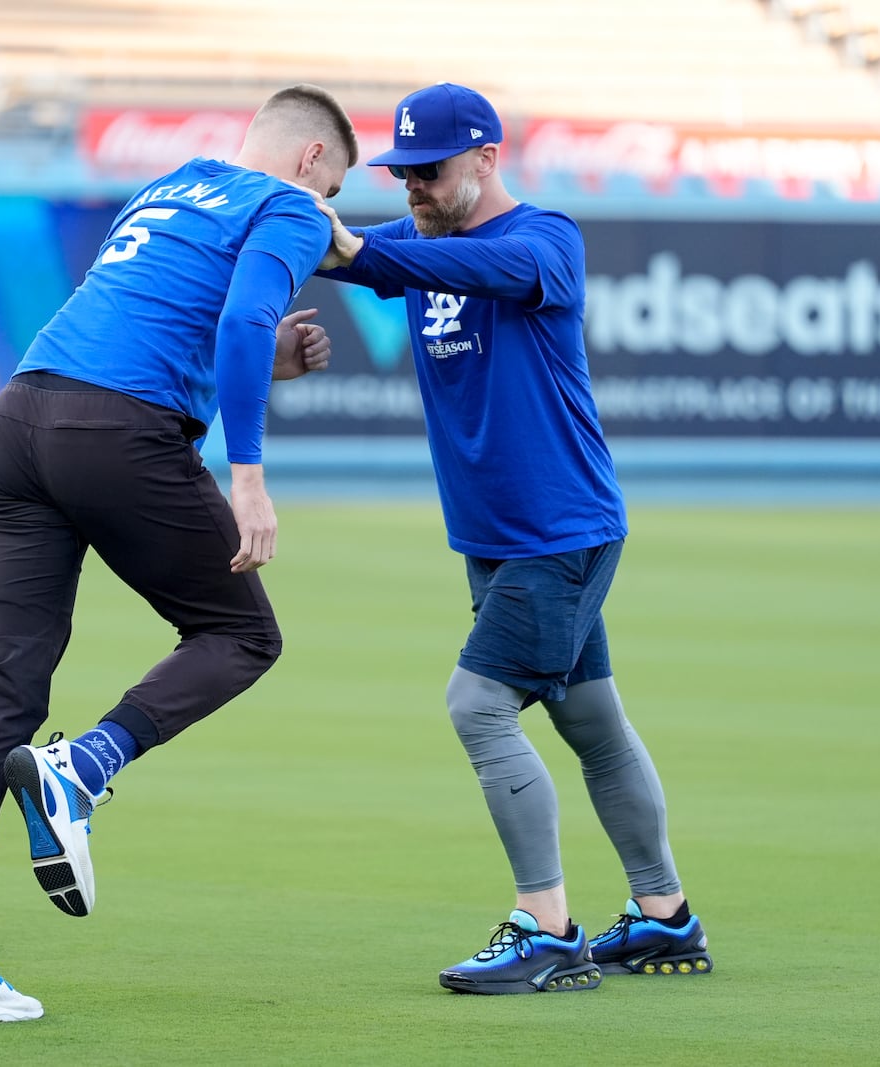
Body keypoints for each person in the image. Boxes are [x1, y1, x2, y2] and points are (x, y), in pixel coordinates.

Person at [0, 83, 357, 1023]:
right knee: (240, 635)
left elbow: (159, 317)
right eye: (335, 187)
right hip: (119, 431)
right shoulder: (292, 205)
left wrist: (266, 365)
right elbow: (237, 319)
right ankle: (83, 766)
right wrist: (250, 477)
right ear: (310, 162)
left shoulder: (176, 183)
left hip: (20, 419)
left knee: (4, 683)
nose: (331, 212)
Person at [313, 82, 712, 995]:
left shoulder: (547, 240)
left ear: (487, 159)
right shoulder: (417, 241)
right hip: (498, 538)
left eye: (431, 170)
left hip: (558, 531)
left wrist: (369, 253)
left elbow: (481, 270)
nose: (412, 186)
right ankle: (664, 918)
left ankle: (548, 927)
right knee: (592, 724)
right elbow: (350, 254)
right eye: (402, 172)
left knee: (477, 706)